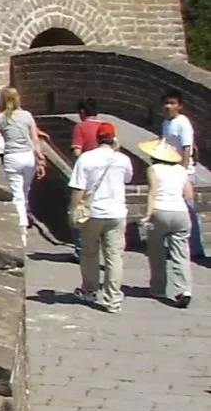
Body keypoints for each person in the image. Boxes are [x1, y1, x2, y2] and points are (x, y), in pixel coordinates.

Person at [71, 136, 133, 312]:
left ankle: (90, 290)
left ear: (97, 138)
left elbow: (78, 188)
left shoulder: (86, 158)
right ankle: (113, 299)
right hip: (117, 212)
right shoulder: (123, 159)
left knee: (89, 253)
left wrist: (73, 210)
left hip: (94, 212)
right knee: (114, 256)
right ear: (114, 139)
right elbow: (128, 178)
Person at [141, 139, 193, 308]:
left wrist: (147, 215)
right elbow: (188, 194)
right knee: (181, 254)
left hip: (160, 212)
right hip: (180, 212)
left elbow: (153, 192)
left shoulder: (153, 169)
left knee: (156, 252)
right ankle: (184, 290)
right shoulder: (181, 170)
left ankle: (158, 288)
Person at [158, 92, 202, 263]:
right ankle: (173, 246)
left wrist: (182, 172)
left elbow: (187, 148)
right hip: (170, 170)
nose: (168, 106)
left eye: (172, 103)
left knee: (188, 210)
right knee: (173, 209)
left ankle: (195, 248)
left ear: (179, 105)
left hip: (184, 173)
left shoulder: (182, 123)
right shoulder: (165, 123)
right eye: (166, 103)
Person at [0, 87, 40, 234]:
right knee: (25, 189)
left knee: (17, 192)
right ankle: (25, 214)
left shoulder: (0, 117)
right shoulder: (27, 115)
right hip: (28, 156)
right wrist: (40, 157)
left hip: (12, 157)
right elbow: (35, 139)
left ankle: (22, 225)